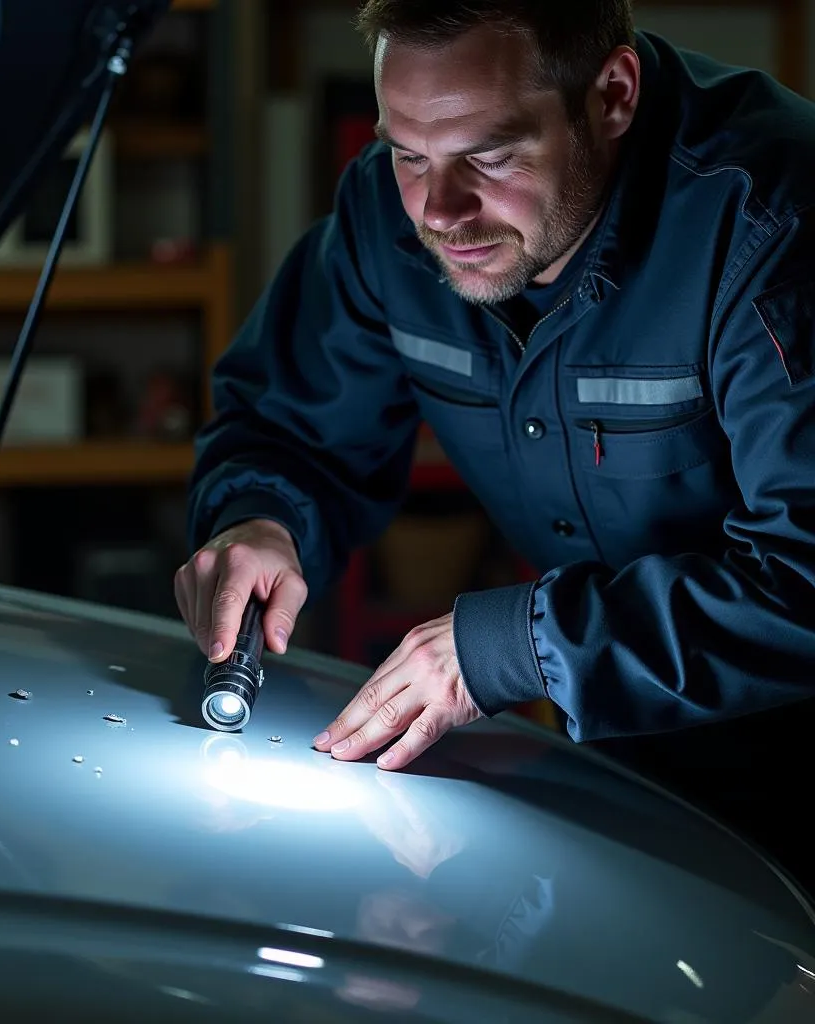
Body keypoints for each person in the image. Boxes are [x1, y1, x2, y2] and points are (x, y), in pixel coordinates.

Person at [175, 0, 815, 892]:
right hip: (636, 768)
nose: (440, 213)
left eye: (492, 156)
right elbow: (291, 427)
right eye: (409, 154)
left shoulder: (774, 223)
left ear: (613, 95)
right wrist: (260, 519)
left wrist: (514, 649)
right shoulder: (385, 214)